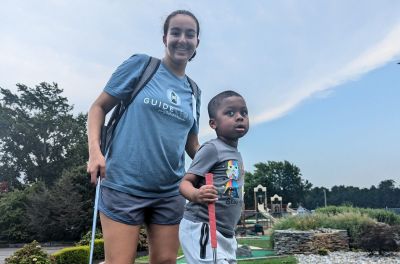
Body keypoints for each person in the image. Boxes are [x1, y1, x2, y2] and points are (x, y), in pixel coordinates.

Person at [86, 10, 201, 264]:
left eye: (189, 34)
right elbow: (98, 108)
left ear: (197, 43)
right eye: (176, 32)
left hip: (169, 191)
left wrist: (219, 163)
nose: (182, 39)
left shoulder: (193, 92)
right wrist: (95, 151)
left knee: (166, 261)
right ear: (164, 38)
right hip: (124, 184)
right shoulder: (142, 66)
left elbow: (192, 144)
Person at [179, 90, 250, 264]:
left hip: (226, 232)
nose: (239, 117)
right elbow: (185, 184)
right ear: (213, 123)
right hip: (203, 225)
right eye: (230, 113)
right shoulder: (211, 149)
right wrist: (197, 194)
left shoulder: (235, 154)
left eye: (244, 112)